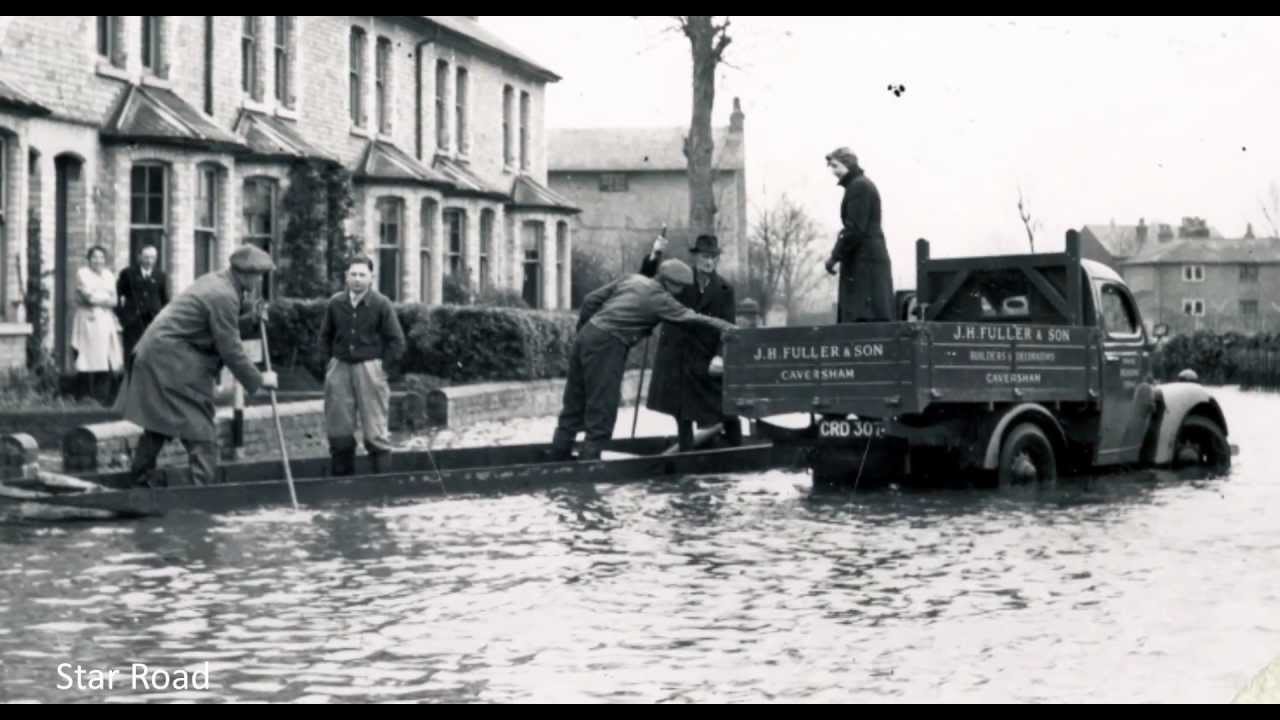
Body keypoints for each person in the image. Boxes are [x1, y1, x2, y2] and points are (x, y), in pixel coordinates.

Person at [115, 244, 279, 487]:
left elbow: (212, 328)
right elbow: (230, 349)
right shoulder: (223, 295)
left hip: (159, 356)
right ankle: (191, 494)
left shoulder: (218, 281)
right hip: (171, 362)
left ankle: (139, 483)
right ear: (246, 274)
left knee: (158, 425)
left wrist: (251, 319)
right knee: (202, 436)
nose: (259, 282)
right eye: (258, 276)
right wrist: (260, 380)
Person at [551, 258, 737, 461]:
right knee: (603, 408)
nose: (681, 292)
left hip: (586, 336)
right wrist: (727, 326)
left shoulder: (633, 279)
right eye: (680, 288)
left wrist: (585, 333)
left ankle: (558, 454)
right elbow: (693, 317)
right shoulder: (660, 299)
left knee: (574, 403)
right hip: (609, 345)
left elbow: (590, 301)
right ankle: (588, 465)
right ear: (670, 283)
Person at [642, 234, 742, 450]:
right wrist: (655, 253)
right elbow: (647, 281)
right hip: (677, 357)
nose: (709, 262)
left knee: (726, 409)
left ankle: (737, 453)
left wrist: (719, 355)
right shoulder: (680, 281)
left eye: (713, 257)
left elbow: (728, 326)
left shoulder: (725, 290)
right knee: (682, 413)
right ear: (696, 257)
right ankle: (686, 457)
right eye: (705, 256)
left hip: (706, 358)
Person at [318, 256, 406, 477]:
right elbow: (324, 337)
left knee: (375, 430)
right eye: (353, 274)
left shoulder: (381, 304)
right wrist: (329, 364)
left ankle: (381, 485)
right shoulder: (336, 303)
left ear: (371, 278)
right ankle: (343, 485)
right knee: (339, 430)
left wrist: (382, 369)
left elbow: (397, 340)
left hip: (370, 368)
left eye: (362, 275)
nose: (357, 279)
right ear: (346, 277)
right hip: (340, 367)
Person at [823, 147, 894, 322]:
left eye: (835, 166)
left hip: (864, 264)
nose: (833, 172)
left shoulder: (858, 187)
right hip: (867, 261)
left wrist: (834, 257)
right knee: (871, 320)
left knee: (862, 321)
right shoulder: (860, 185)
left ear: (847, 164)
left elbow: (854, 229)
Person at [71, 246, 124, 404]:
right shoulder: (82, 273)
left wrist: (97, 296)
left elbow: (114, 301)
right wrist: (103, 297)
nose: (98, 260)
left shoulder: (109, 275)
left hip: (105, 321)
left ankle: (101, 397)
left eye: (101, 257)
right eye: (94, 257)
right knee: (86, 358)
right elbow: (88, 298)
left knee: (105, 357)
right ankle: (83, 396)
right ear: (89, 259)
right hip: (88, 320)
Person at [116, 244, 169, 371]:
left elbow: (165, 300)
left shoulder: (160, 276)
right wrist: (122, 317)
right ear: (139, 257)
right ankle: (130, 386)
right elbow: (117, 296)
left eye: (152, 257)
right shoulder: (127, 274)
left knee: (152, 353)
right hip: (132, 321)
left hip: (153, 321)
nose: (149, 261)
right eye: (146, 257)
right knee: (132, 354)